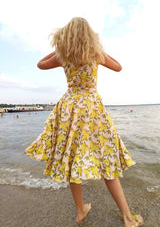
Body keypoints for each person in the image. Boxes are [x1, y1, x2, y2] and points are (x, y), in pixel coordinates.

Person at [24, 17, 143, 227]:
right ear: (89, 35)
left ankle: (80, 211)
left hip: (70, 109)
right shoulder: (95, 53)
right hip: (91, 109)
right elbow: (119, 67)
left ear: (66, 34)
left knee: (72, 159)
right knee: (107, 160)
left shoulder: (62, 56)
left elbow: (40, 64)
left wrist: (60, 49)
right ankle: (127, 216)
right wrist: (99, 49)